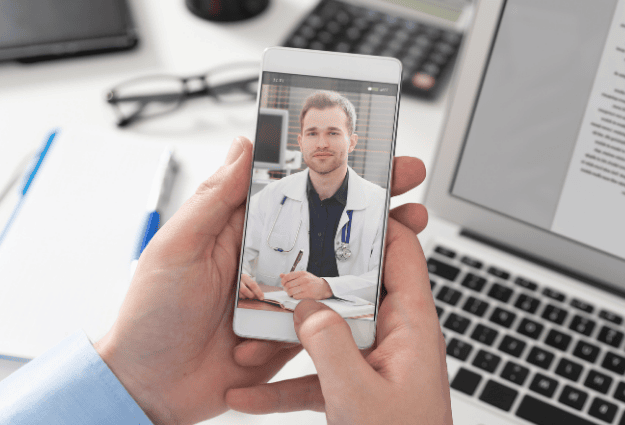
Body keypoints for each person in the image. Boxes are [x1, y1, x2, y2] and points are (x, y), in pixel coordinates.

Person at [0, 137, 452, 425]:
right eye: (312, 137)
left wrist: (137, 385)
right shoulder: (273, 223)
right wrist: (141, 383)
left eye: (333, 139)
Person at [240, 91, 387, 303]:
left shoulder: (379, 204)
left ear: (352, 142)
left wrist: (328, 287)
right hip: (275, 310)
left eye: (333, 133)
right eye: (312, 134)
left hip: (347, 320)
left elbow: (382, 277)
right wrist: (241, 276)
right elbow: (239, 252)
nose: (321, 144)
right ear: (300, 142)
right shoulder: (271, 196)